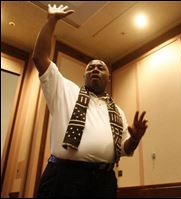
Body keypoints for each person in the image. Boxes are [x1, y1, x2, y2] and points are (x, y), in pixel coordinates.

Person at [32, 4, 148, 198]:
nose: (95, 69)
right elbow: (39, 57)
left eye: (100, 67)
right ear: (84, 76)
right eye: (90, 68)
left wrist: (134, 139)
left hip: (104, 182)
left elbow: (123, 150)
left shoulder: (117, 111)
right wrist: (51, 21)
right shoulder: (65, 90)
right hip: (64, 179)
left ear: (108, 78)